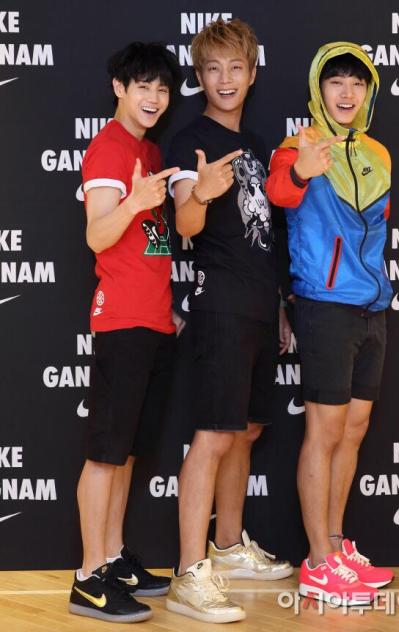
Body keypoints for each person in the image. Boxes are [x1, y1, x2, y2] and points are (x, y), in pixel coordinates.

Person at [166, 18, 293, 624]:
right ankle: (189, 573)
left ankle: (227, 547)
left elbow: (265, 236)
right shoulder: (189, 140)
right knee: (215, 434)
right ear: (199, 76)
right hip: (218, 303)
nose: (225, 79)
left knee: (246, 428)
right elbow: (185, 224)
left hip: (260, 304)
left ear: (251, 73)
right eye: (213, 68)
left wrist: (281, 304)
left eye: (235, 67)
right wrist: (202, 192)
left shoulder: (261, 145)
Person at [266, 42, 394, 606]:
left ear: (368, 92)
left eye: (357, 82)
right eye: (336, 81)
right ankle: (318, 562)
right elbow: (277, 193)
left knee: (354, 429)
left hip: (373, 306)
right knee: (324, 431)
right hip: (324, 304)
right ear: (319, 89)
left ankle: (337, 548)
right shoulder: (298, 145)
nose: (347, 92)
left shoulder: (379, 153)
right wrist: (300, 169)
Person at [68, 41, 182, 623]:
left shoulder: (149, 149)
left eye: (162, 88)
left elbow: (150, 246)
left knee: (129, 453)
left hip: (154, 318)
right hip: (122, 319)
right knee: (106, 454)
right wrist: (135, 200)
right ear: (119, 88)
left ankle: (112, 558)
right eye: (143, 86)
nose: (154, 98)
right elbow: (97, 234)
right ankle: (88, 578)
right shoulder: (110, 147)